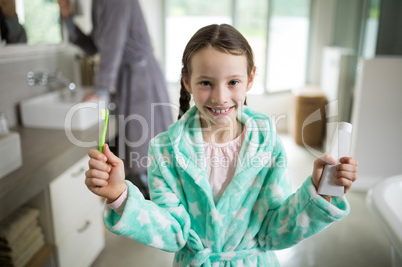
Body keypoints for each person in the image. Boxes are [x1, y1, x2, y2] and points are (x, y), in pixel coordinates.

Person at [85, 24, 358, 266]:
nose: (220, 97)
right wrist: (119, 194)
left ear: (250, 79)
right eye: (206, 82)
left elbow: (275, 231)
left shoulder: (267, 144)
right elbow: (172, 232)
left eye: (233, 82)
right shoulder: (165, 150)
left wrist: (319, 194)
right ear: (187, 82)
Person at [58, 0, 172, 198]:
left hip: (141, 80)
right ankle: (145, 204)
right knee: (138, 148)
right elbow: (96, 45)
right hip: (126, 80)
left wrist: (101, 89)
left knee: (146, 150)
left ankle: (158, 208)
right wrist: (67, 17)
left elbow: (113, 44)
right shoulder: (98, 3)